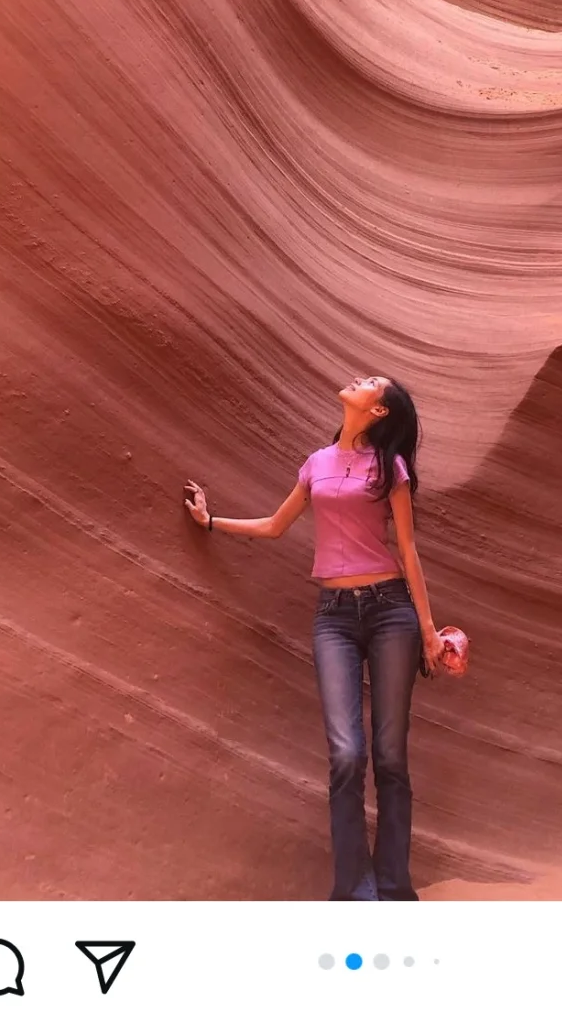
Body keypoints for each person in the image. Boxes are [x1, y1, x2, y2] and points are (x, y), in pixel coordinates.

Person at [184, 373, 447, 901]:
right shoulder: (317, 463)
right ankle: (355, 892)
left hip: (391, 610)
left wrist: (428, 630)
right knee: (347, 754)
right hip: (334, 616)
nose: (359, 379)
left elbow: (409, 549)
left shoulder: (388, 467)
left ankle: (395, 888)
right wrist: (211, 522)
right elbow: (275, 526)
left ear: (378, 412)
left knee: (390, 756)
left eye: (372, 383)